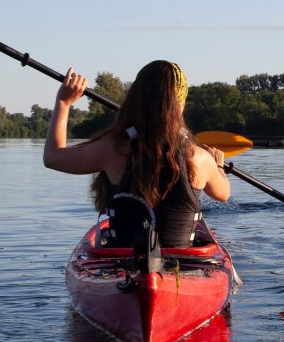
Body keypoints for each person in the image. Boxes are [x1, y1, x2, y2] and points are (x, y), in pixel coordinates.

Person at [43, 60, 230, 249]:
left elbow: (53, 158)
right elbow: (223, 194)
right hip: (183, 267)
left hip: (121, 266)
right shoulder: (199, 158)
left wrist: (63, 103)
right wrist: (218, 166)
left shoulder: (112, 149)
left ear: (136, 98)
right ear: (180, 103)